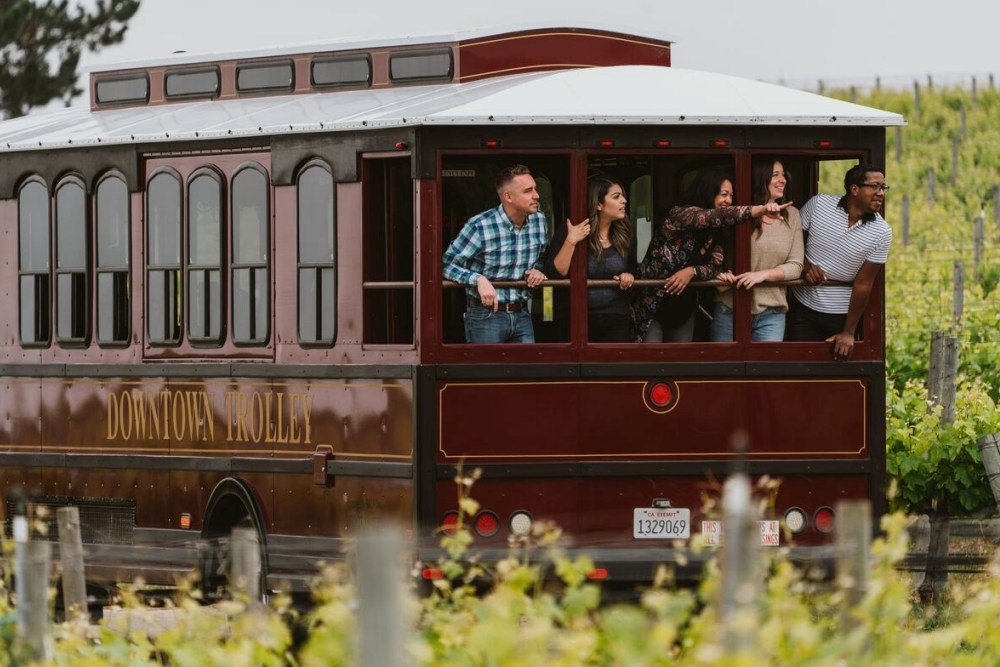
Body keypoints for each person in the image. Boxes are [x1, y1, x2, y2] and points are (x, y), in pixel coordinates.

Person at [631, 168, 790, 342]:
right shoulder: (680, 214)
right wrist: (758, 210)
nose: (728, 200)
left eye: (731, 195)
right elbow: (711, 216)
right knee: (651, 363)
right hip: (652, 305)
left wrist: (692, 272)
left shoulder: (717, 232)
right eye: (723, 194)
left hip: (684, 307)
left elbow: (713, 266)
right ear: (708, 190)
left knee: (678, 364)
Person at [786, 163, 893, 361]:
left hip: (841, 316)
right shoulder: (818, 205)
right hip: (801, 309)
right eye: (875, 186)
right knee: (797, 369)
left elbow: (863, 283)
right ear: (854, 189)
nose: (881, 193)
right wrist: (805, 266)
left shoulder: (882, 232)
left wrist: (848, 332)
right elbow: (791, 241)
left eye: (883, 188)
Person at [442, 164, 549, 343]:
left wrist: (537, 270)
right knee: (486, 371)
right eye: (528, 191)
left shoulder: (539, 220)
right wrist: (478, 279)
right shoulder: (479, 226)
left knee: (527, 371)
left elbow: (541, 257)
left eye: (535, 189)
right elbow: (445, 264)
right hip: (485, 315)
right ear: (508, 196)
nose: (536, 195)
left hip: (523, 314)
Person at [712, 160, 803, 342]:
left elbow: (796, 266)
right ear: (761, 178)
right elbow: (712, 254)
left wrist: (763, 275)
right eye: (775, 174)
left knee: (766, 369)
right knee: (723, 368)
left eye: (783, 174)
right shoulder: (736, 212)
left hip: (772, 314)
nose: (782, 180)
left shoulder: (792, 215)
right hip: (728, 310)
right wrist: (718, 275)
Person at [546, 177, 637, 342]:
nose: (624, 201)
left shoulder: (626, 235)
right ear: (598, 204)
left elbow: (632, 267)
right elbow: (556, 273)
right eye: (616, 197)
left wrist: (628, 276)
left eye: (623, 196)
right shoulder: (571, 230)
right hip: (576, 317)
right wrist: (571, 240)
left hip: (616, 316)